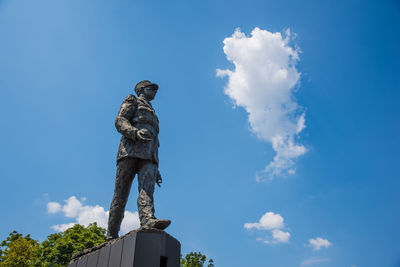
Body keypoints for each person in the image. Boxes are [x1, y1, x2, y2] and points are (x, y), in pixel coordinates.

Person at [107, 80, 170, 240]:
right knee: (121, 194)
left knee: (147, 190)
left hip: (149, 156)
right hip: (129, 151)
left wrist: (156, 167)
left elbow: (155, 140)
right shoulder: (132, 100)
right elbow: (120, 120)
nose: (155, 92)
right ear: (142, 89)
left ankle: (148, 220)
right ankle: (111, 233)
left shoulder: (153, 113)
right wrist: (134, 132)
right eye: (152, 88)